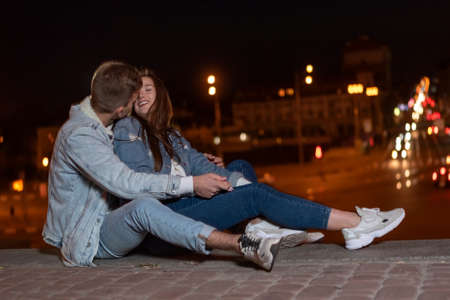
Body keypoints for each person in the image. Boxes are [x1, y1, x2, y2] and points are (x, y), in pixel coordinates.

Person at [111, 67, 406, 265]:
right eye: (136, 92)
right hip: (166, 224)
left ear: (160, 94)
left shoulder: (169, 133)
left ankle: (263, 226)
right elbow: (140, 183)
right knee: (256, 195)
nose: (142, 96)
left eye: (147, 89)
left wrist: (234, 182)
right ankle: (353, 224)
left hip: (184, 203)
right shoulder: (128, 128)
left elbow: (198, 162)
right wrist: (198, 183)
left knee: (240, 167)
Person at [43, 61, 294, 271]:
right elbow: (127, 183)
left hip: (114, 218)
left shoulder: (104, 120)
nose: (138, 101)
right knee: (143, 205)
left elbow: (177, 157)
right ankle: (243, 243)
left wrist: (197, 168)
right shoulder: (82, 135)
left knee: (239, 168)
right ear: (120, 109)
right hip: (87, 235)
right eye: (133, 99)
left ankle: (258, 224)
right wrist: (191, 183)